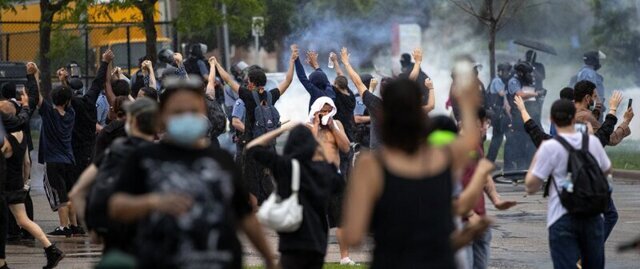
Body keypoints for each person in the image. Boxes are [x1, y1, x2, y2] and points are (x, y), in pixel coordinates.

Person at [108, 78, 277, 269]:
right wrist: (152, 202)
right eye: (178, 112)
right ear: (162, 117)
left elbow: (245, 216)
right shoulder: (143, 158)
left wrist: (270, 259)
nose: (187, 117)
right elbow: (116, 206)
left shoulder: (221, 160)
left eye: (193, 111)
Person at [342, 75, 482, 268]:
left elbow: (353, 235)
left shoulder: (371, 165)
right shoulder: (444, 156)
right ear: (419, 110)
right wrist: (467, 100)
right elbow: (471, 138)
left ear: (382, 114)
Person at [525, 99, 611, 269]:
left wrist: (536, 159)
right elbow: (607, 170)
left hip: (562, 216)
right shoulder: (591, 142)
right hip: (593, 216)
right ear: (573, 118)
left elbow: (531, 186)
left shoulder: (550, 147)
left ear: (552, 119)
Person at [246, 123, 344, 269]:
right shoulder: (324, 171)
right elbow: (339, 181)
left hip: (292, 241)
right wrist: (319, 146)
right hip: (318, 242)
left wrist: (280, 130)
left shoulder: (285, 166)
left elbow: (252, 148)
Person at [69, 97, 159, 252]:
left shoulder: (114, 152)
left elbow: (77, 192)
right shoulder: (164, 155)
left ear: (132, 122)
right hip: (154, 245)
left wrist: (93, 229)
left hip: (116, 244)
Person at [213, 45, 297, 205]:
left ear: (252, 83)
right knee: (267, 176)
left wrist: (216, 65)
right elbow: (288, 80)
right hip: (269, 145)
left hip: (252, 145)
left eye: (248, 81)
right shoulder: (271, 95)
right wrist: (292, 60)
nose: (246, 84)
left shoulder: (247, 96)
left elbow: (228, 81)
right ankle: (273, 205)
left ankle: (255, 212)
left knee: (250, 181)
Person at [1, 92, 65, 268]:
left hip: (6, 185)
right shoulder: (20, 134)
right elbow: (27, 162)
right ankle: (51, 249)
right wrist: (25, 181)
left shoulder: (6, 140)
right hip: (16, 182)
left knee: (18, 220)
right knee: (23, 220)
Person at [306, 97, 353, 265]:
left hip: (335, 178)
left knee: (341, 220)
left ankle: (345, 257)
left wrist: (333, 126)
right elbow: (308, 148)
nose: (325, 114)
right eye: (322, 112)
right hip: (315, 180)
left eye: (328, 111)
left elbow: (346, 148)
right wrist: (317, 125)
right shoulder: (308, 126)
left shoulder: (337, 125)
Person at [504, 61, 539, 171]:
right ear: (520, 73)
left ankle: (528, 167)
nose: (530, 75)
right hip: (518, 118)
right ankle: (518, 169)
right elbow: (520, 95)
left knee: (531, 141)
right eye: (527, 73)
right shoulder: (514, 81)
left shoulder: (526, 82)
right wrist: (536, 94)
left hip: (527, 115)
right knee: (519, 142)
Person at [574, 80, 632, 146]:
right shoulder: (585, 116)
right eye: (595, 96)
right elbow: (609, 138)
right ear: (587, 98)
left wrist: (595, 112)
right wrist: (625, 120)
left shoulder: (570, 110)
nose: (597, 100)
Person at [486, 63, 512, 162]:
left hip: (499, 113)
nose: (508, 73)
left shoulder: (502, 81)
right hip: (497, 114)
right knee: (497, 138)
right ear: (500, 72)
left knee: (497, 138)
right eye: (506, 71)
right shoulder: (497, 81)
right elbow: (502, 94)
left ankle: (490, 161)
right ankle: (490, 161)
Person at [572, 51, 606, 117]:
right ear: (594, 60)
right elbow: (590, 91)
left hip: (591, 106)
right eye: (598, 60)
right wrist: (597, 106)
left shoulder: (584, 71)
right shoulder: (589, 73)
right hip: (593, 107)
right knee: (596, 126)